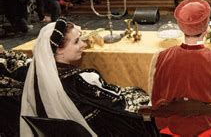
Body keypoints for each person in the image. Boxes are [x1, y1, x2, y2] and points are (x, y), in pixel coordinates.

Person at [20, 18, 157, 136]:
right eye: (76, 42)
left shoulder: (38, 75)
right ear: (59, 51)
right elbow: (116, 103)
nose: (83, 45)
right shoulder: (77, 81)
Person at [150, 0, 211, 136]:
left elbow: (153, 94)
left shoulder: (160, 56)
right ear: (207, 27)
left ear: (180, 27)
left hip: (170, 126)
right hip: (209, 128)